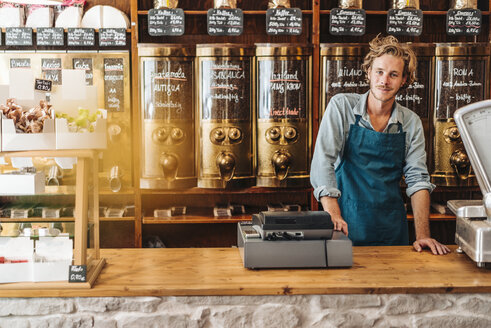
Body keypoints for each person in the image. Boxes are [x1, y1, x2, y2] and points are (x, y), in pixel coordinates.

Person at [310, 35, 450, 255]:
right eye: (379, 72)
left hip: (391, 228)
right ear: (368, 72)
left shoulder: (410, 122)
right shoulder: (342, 107)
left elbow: (418, 179)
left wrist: (422, 235)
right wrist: (333, 215)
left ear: (404, 80)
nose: (384, 81)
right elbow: (323, 162)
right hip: (344, 223)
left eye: (393, 75)